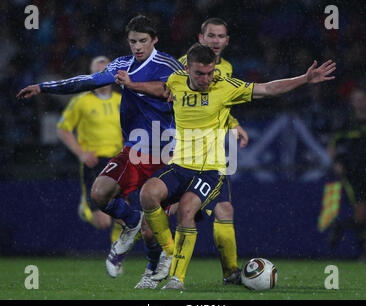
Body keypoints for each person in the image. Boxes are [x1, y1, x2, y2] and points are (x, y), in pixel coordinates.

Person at [123, 43, 336, 289]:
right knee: (148, 193)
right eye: (199, 73)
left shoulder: (225, 86)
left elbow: (267, 89)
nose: (206, 78)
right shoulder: (176, 81)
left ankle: (176, 279)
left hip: (210, 170)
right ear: (188, 70)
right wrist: (131, 84)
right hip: (180, 165)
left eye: (210, 72)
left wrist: (304, 79)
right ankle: (168, 252)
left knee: (188, 208)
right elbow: (160, 88)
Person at [16, 15, 184, 286]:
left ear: (154, 40)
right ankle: (130, 221)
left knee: (151, 230)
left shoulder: (168, 64)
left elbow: (167, 90)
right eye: (133, 41)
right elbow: (87, 81)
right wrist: (43, 87)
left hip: (165, 153)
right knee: (99, 193)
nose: (137, 46)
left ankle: (153, 269)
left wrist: (130, 85)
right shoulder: (121, 64)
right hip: (133, 150)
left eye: (143, 41)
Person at [178, 18, 248, 284]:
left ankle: (230, 272)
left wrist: (234, 123)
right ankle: (162, 264)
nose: (216, 41)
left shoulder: (226, 68)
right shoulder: (181, 65)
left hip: (214, 154)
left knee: (225, 209)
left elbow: (217, 104)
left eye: (221, 36)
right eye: (211, 35)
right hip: (183, 153)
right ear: (200, 37)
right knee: (168, 211)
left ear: (227, 40)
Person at [57, 56, 123, 243]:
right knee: (102, 221)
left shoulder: (122, 100)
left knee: (124, 213)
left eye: (105, 72)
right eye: (98, 72)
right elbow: (63, 129)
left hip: (118, 161)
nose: (102, 76)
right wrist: (81, 154)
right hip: (94, 161)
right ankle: (85, 210)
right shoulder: (81, 101)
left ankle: (115, 254)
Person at [327, 86, 366, 259]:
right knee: (361, 211)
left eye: (362, 99)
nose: (360, 103)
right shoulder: (347, 122)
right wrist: (336, 162)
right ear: (352, 102)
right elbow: (332, 144)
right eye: (357, 100)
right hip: (354, 172)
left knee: (362, 215)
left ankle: (341, 226)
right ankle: (362, 252)